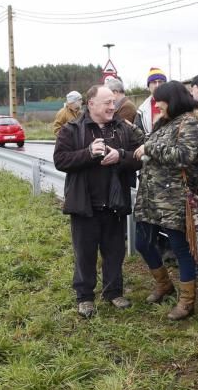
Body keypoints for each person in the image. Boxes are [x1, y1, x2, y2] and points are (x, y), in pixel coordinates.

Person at [53, 85, 145, 318]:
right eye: (106, 102)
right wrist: (88, 153)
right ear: (91, 103)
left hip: (115, 203)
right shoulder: (71, 130)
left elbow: (140, 157)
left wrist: (120, 156)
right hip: (85, 205)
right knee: (85, 254)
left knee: (115, 251)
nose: (112, 107)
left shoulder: (124, 128)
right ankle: (84, 297)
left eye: (113, 102)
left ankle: (113, 292)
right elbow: (61, 160)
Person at [132, 81, 198, 321]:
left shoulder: (191, 123)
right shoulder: (165, 123)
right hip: (151, 197)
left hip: (174, 199)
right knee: (143, 243)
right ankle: (164, 285)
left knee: (181, 249)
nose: (158, 107)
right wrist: (142, 139)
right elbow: (155, 144)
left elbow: (184, 156)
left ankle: (187, 301)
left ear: (173, 100)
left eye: (161, 102)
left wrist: (150, 147)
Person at [136, 67, 167, 134]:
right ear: (148, 86)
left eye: (160, 82)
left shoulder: (175, 104)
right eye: (154, 82)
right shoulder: (142, 110)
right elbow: (138, 134)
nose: (157, 85)